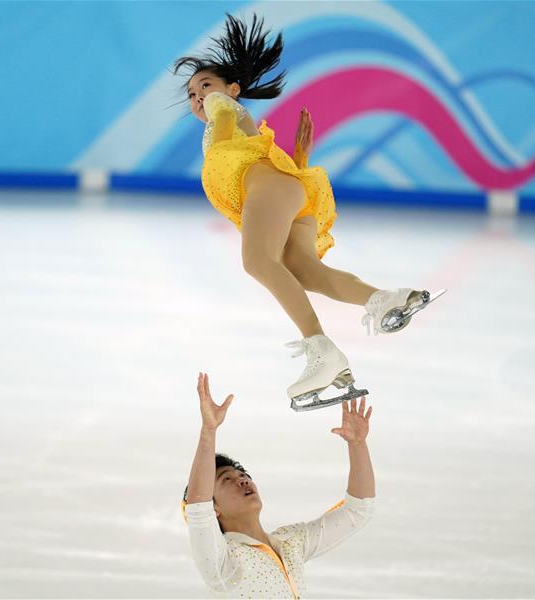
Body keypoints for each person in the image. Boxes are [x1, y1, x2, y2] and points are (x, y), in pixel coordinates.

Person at [173, 14, 444, 411]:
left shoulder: (224, 111)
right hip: (287, 190)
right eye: (192, 95)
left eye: (205, 86)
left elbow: (227, 121)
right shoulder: (229, 123)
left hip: (267, 187)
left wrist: (219, 106)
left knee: (257, 261)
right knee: (304, 271)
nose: (199, 98)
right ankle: (387, 299)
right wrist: (300, 158)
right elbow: (267, 159)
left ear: (232, 88)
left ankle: (321, 349)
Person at [183, 372, 376, 598]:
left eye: (243, 474)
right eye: (227, 479)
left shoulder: (290, 542)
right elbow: (198, 509)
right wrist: (209, 432)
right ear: (214, 508)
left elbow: (358, 511)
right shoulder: (223, 562)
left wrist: (357, 444)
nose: (242, 480)